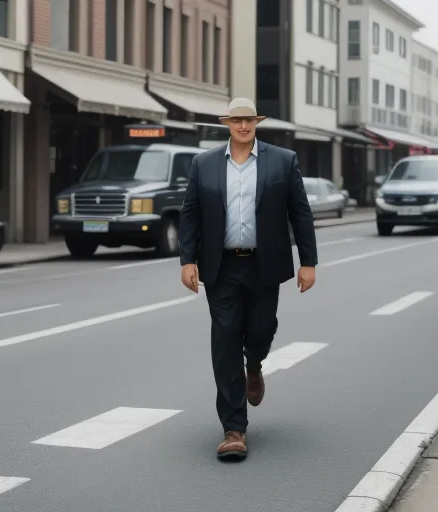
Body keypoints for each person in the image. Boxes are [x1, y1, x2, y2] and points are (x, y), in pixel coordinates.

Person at [178, 98, 318, 460]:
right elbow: (190, 214)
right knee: (224, 338)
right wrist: (187, 260)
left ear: (257, 123)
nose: (243, 126)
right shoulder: (204, 164)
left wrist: (308, 262)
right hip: (221, 267)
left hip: (264, 265)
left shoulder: (282, 161)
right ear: (227, 123)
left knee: (260, 329)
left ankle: (253, 364)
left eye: (249, 120)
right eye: (236, 120)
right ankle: (234, 429)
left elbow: (300, 213)